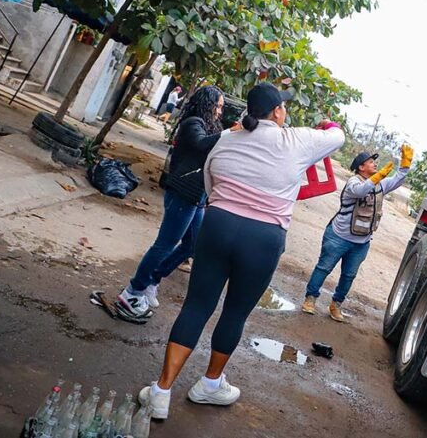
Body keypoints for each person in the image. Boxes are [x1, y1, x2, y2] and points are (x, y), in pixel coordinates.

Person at [138, 83, 344, 418]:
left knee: (197, 305)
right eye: (284, 107)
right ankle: (210, 384)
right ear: (277, 111)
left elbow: (209, 185)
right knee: (235, 313)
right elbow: (338, 138)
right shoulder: (296, 140)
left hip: (216, 225)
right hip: (263, 239)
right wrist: (328, 125)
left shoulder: (225, 139)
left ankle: (161, 391)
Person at [116, 86, 231, 320]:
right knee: (165, 244)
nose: (219, 111)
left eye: (221, 107)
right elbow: (200, 143)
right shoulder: (193, 123)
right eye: (217, 106)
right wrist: (229, 134)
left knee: (193, 245)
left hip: (198, 196)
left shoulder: (211, 126)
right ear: (206, 104)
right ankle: (133, 291)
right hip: (182, 193)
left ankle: (153, 279)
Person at [302, 144, 413, 322]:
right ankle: (310, 298)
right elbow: (361, 191)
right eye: (371, 162)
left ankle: (336, 305)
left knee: (349, 276)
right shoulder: (354, 182)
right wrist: (380, 176)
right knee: (324, 268)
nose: (375, 165)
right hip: (338, 236)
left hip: (361, 243)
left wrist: (405, 165)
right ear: (361, 167)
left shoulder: (379, 185)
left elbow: (398, 180)